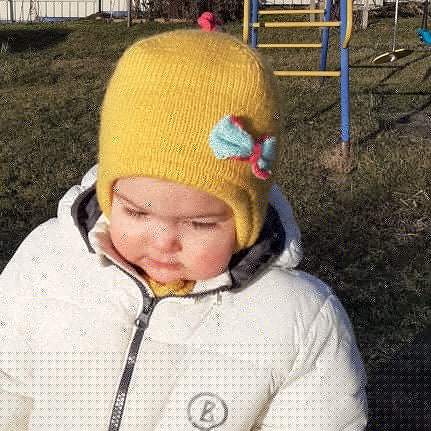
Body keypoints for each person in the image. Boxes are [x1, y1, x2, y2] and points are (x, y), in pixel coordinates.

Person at [0, 29, 367, 430]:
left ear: (246, 219)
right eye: (136, 213)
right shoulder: (46, 263)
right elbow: (8, 382)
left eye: (199, 223)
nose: (163, 242)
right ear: (109, 195)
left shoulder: (299, 322)